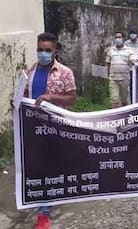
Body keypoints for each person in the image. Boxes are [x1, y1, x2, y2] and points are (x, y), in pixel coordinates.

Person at [24, 32, 77, 229]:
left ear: (54, 51)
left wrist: (50, 97)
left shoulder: (64, 73)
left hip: (56, 127)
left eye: (47, 50)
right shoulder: (30, 71)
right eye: (40, 50)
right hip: (34, 127)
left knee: (51, 165)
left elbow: (72, 99)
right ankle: (43, 205)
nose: (43, 54)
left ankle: (44, 211)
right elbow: (25, 96)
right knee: (40, 165)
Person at [106, 31, 138, 108]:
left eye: (119, 37)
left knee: (124, 101)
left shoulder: (129, 50)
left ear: (123, 39)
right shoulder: (110, 50)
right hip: (113, 79)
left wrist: (135, 61)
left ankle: (124, 116)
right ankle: (115, 117)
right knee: (114, 100)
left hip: (125, 79)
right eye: (116, 37)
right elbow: (107, 63)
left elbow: (134, 61)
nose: (118, 39)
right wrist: (109, 76)